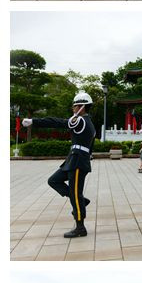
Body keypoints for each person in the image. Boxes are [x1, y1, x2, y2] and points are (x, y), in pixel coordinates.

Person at [22, 91, 96, 238]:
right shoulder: (89, 124)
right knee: (54, 180)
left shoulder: (80, 120)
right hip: (74, 159)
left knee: (75, 194)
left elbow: (57, 122)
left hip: (77, 161)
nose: (73, 109)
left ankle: (80, 227)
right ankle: (82, 201)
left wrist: (34, 121)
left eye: (75, 106)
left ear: (81, 107)